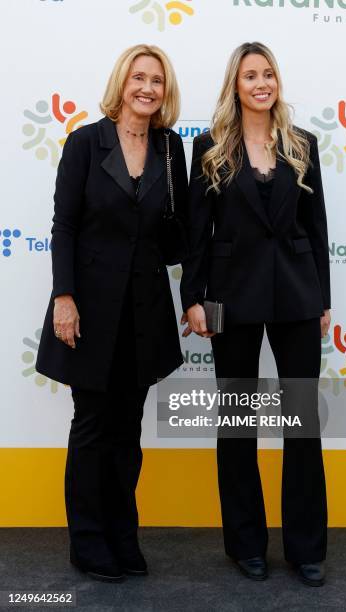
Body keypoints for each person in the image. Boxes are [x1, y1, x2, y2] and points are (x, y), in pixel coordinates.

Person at [181, 42, 331, 586]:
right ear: (236, 85)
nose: (261, 83)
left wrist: (323, 299)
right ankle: (246, 544)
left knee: (301, 423)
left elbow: (317, 229)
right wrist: (192, 299)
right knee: (238, 424)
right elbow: (198, 234)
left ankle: (306, 548)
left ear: (276, 83)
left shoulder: (302, 144)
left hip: (297, 296)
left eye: (268, 73)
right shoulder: (210, 148)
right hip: (227, 298)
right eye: (250, 75)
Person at [36, 44, 187, 582]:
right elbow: (65, 227)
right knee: (93, 427)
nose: (147, 88)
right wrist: (64, 296)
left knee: (128, 431)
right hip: (90, 311)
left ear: (164, 92)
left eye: (157, 81)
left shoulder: (171, 148)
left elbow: (178, 232)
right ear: (122, 82)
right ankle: (88, 541)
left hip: (144, 312)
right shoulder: (85, 141)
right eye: (139, 77)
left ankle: (123, 533)